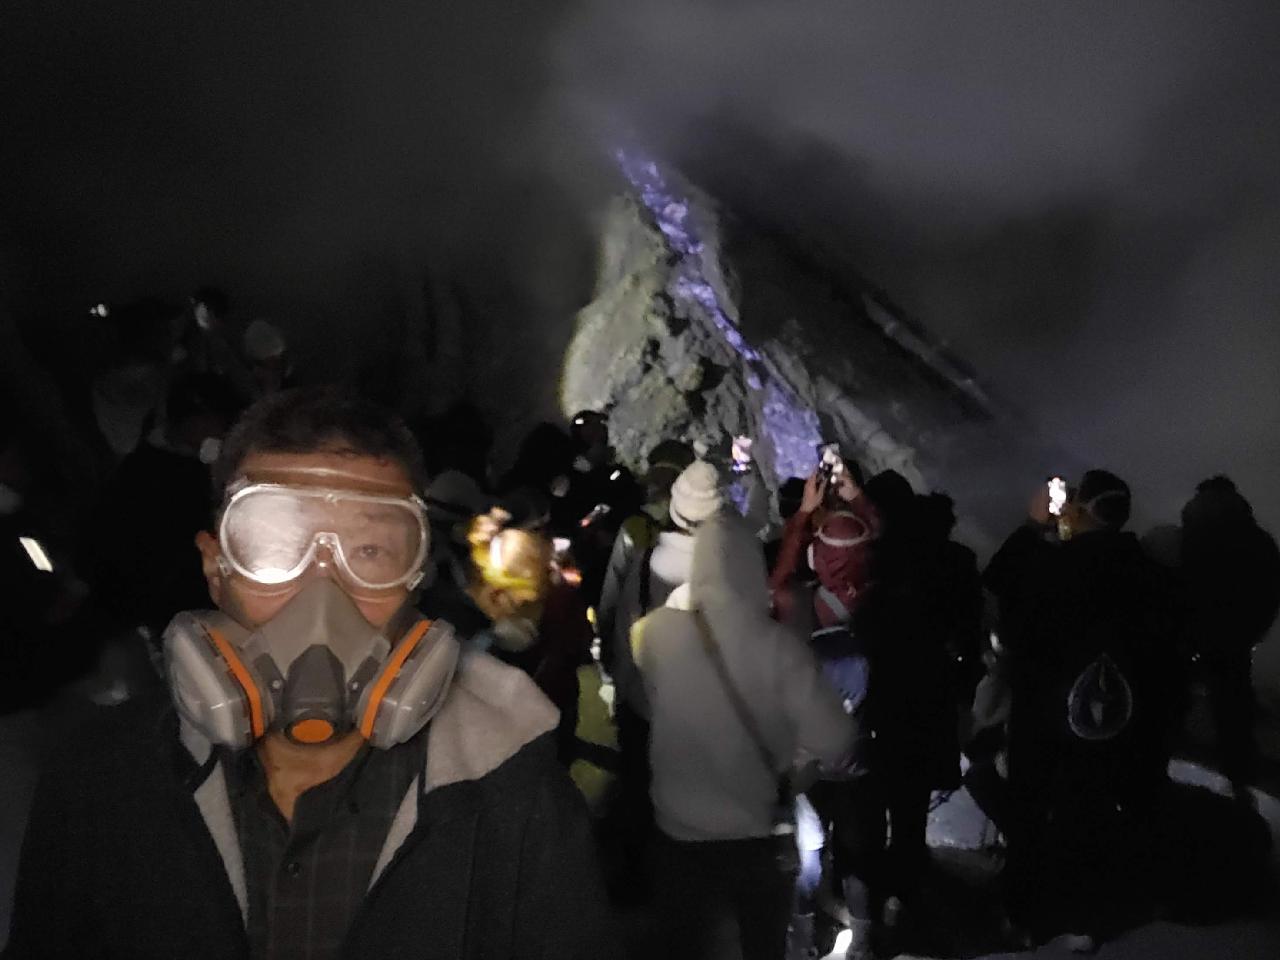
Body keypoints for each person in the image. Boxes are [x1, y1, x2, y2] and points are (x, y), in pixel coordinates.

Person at [6, 386, 609, 960]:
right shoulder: (96, 786)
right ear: (216, 568)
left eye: (369, 551)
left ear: (417, 578)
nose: (322, 597)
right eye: (273, 545)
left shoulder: (520, 810)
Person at [632, 512, 855, 960]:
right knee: (761, 946)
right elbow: (836, 739)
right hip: (758, 836)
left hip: (676, 832)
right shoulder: (780, 648)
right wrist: (797, 762)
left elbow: (644, 701)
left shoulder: (654, 634)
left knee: (685, 945)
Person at [984, 469, 1185, 950]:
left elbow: (1000, 593)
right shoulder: (1149, 571)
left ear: (1082, 508)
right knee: (1093, 813)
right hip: (1119, 720)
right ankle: (1093, 915)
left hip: (1045, 718)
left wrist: (1034, 528)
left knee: (1033, 814)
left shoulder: (1056, 568)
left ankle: (1028, 915)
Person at [594, 458, 724, 900]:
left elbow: (612, 609)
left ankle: (632, 880)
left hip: (641, 699)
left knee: (636, 790)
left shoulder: (645, 551)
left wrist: (615, 670)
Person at [1179, 476, 1280, 798]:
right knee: (1233, 704)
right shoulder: (1257, 538)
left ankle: (1177, 762)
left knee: (1174, 696)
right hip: (1236, 636)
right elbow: (1271, 589)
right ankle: (1241, 781)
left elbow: (1181, 583)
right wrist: (1253, 631)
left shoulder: (1192, 533)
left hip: (1193, 632)